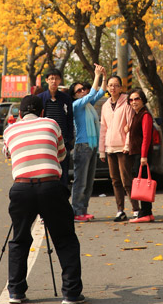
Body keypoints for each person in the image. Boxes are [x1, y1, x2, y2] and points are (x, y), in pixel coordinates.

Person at [2, 94, 85, 304]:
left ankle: (16, 292)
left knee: (19, 239)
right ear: (42, 112)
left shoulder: (10, 130)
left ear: (19, 114)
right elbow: (62, 154)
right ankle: (72, 293)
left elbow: (8, 153)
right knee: (65, 239)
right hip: (50, 186)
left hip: (21, 188)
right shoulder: (51, 124)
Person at [69, 64, 107, 222]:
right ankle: (76, 211)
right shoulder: (76, 106)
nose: (83, 91)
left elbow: (101, 92)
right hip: (82, 147)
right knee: (81, 181)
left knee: (89, 181)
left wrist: (104, 76)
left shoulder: (89, 105)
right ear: (74, 95)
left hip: (92, 147)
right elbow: (92, 93)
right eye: (79, 90)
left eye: (84, 88)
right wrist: (96, 75)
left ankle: (83, 210)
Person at [99, 75, 139, 222]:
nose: (113, 88)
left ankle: (136, 209)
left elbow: (131, 126)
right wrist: (102, 150)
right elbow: (103, 129)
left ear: (121, 87)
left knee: (126, 180)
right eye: (110, 85)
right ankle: (120, 210)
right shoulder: (105, 106)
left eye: (116, 85)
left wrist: (127, 145)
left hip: (123, 147)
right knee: (115, 180)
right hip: (110, 148)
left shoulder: (127, 104)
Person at [39, 69, 74, 186]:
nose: (54, 81)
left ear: (60, 80)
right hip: (46, 142)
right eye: (51, 78)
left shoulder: (65, 98)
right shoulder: (40, 98)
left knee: (63, 174)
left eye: (56, 78)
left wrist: (69, 139)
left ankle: (62, 199)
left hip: (63, 142)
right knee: (48, 172)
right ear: (46, 80)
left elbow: (69, 119)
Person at [125, 88, 155, 223]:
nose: (133, 102)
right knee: (141, 183)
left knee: (143, 184)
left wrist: (143, 156)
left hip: (141, 155)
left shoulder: (145, 115)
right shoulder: (136, 114)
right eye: (131, 99)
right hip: (135, 153)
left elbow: (146, 137)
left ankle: (145, 213)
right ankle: (147, 212)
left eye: (136, 99)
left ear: (142, 100)